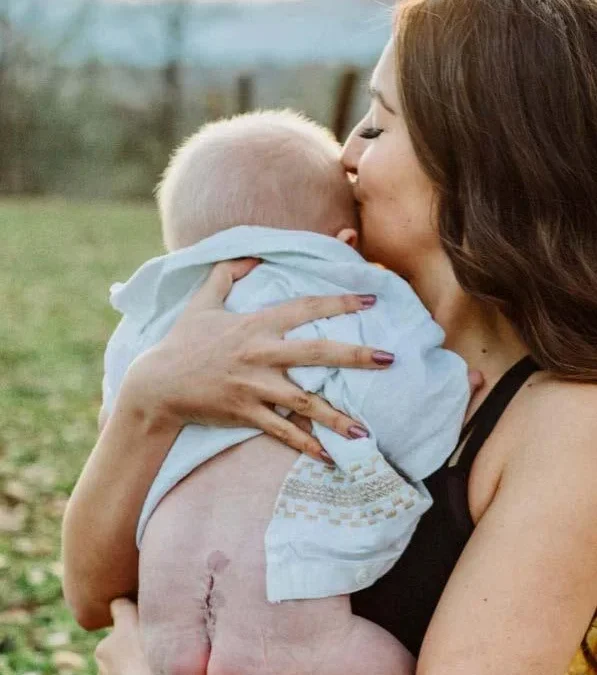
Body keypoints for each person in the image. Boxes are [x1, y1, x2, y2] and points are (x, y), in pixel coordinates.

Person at [62, 1, 597, 674]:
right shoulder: (299, 327)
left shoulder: (568, 420)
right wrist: (149, 398)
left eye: (377, 125)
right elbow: (90, 597)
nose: (344, 152)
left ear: (480, 157)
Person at [100, 109, 469, 675]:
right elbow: (404, 416)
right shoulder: (342, 303)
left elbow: (116, 427)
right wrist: (451, 390)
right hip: (294, 625)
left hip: (161, 623)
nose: (352, 150)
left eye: (378, 125)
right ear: (343, 241)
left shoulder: (152, 317)